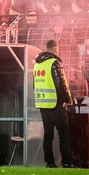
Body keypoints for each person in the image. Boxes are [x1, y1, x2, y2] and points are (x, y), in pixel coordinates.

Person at [34, 39, 73, 169]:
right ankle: (66, 162)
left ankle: (49, 163)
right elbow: (60, 84)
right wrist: (67, 99)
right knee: (64, 133)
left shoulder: (37, 64)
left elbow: (35, 85)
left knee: (48, 134)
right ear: (56, 49)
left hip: (42, 104)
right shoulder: (55, 63)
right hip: (56, 104)